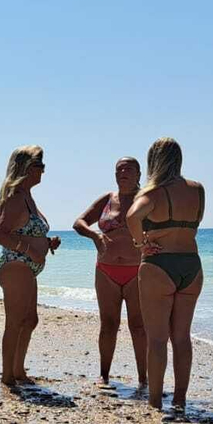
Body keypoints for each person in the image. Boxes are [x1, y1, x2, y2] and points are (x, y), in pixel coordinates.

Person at [126, 136, 204, 415]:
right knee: (182, 337)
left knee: (157, 338)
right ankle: (180, 400)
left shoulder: (153, 193)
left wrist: (140, 242)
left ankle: (156, 402)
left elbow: (132, 217)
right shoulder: (198, 190)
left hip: (158, 264)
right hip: (191, 265)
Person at [73, 156, 147, 390]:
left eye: (129, 169)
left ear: (139, 174)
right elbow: (79, 222)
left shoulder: (146, 199)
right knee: (108, 324)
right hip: (106, 270)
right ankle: (104, 375)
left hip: (137, 271)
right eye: (119, 169)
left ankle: (144, 380)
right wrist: (94, 235)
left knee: (138, 326)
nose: (123, 172)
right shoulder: (108, 199)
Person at [0, 145, 61, 388]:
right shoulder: (15, 197)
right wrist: (31, 249)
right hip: (15, 265)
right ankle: (7, 377)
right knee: (15, 321)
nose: (43, 171)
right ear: (26, 169)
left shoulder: (27, 196)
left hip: (26, 266)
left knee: (30, 320)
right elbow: (0, 235)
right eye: (39, 166)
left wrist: (46, 243)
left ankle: (18, 371)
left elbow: (24, 230)